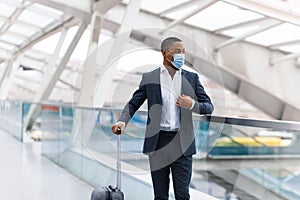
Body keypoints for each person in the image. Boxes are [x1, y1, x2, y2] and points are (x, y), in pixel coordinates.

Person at [112, 37, 214, 200]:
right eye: (177, 51)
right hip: (158, 143)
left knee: (182, 195)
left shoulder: (191, 78)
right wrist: (122, 121)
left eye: (183, 52)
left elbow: (209, 107)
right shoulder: (150, 77)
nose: (181, 55)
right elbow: (133, 103)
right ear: (165, 53)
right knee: (160, 195)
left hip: (182, 144)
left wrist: (192, 104)